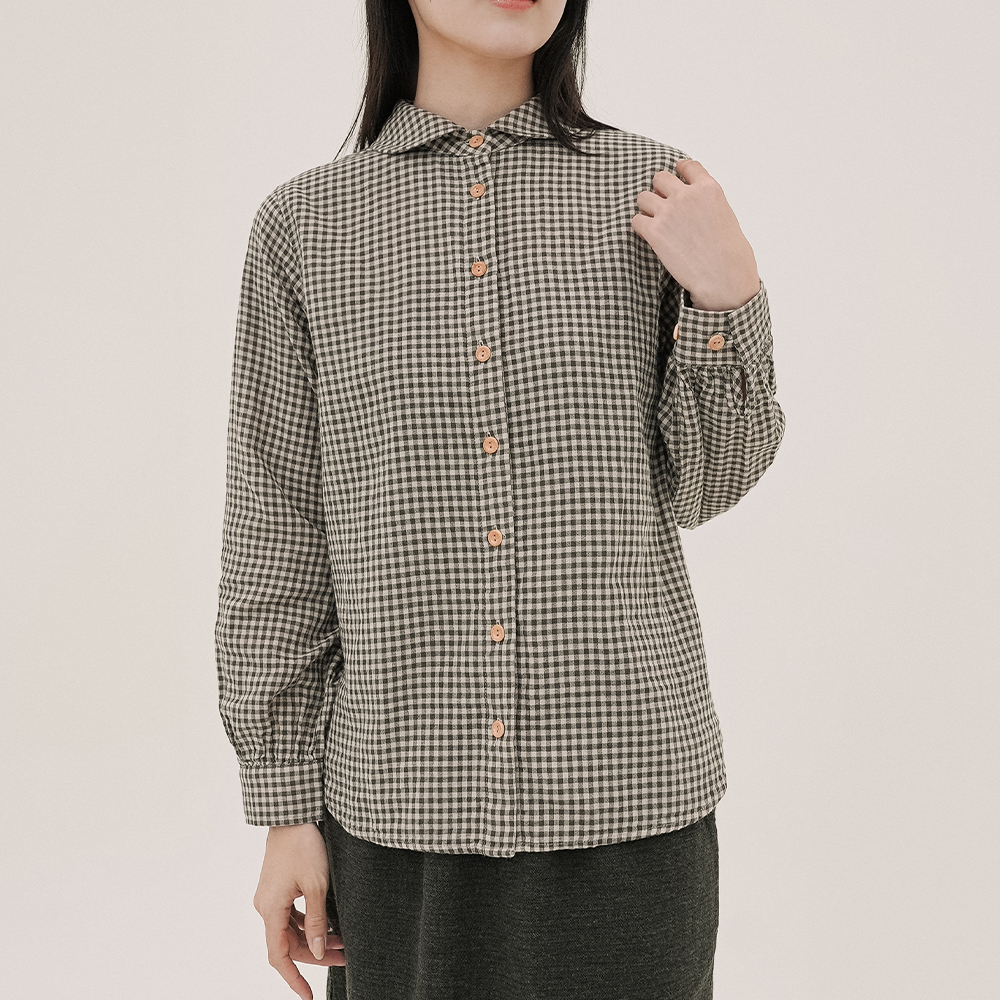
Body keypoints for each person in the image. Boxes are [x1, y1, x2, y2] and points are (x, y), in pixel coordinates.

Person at [214, 1, 785, 998]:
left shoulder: (657, 192)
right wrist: (285, 806)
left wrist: (727, 297)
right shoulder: (305, 226)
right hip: (398, 815)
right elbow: (277, 532)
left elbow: (706, 483)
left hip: (630, 808)